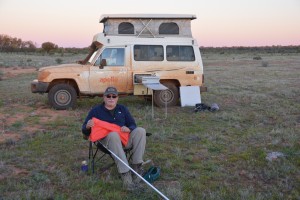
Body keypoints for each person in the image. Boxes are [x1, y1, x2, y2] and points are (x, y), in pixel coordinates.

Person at [82, 86, 146, 191]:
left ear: (117, 98)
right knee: (113, 134)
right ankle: (126, 176)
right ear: (104, 97)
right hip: (106, 142)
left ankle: (137, 167)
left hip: (124, 139)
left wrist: (129, 128)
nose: (111, 98)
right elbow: (84, 131)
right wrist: (87, 126)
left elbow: (132, 124)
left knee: (141, 131)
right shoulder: (96, 111)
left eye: (114, 96)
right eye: (108, 96)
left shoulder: (122, 109)